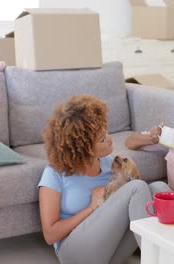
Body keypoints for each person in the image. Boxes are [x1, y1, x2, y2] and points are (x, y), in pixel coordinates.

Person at [38, 94, 154, 264]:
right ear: (84, 149)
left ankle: (168, 255)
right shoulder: (54, 174)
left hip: (106, 250)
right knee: (138, 187)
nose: (110, 139)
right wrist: (91, 208)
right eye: (102, 139)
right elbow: (50, 235)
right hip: (73, 252)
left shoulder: (112, 164)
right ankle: (156, 259)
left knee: (158, 188)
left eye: (106, 132)